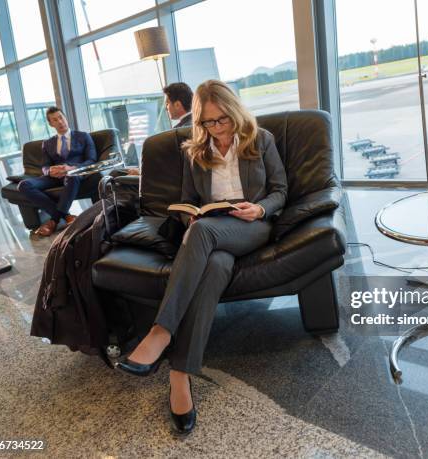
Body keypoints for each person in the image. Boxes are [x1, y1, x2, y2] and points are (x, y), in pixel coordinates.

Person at [115, 80, 287, 435]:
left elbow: (280, 191)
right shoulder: (195, 151)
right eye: (207, 122)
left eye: (221, 120)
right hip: (211, 234)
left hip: (252, 227)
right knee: (215, 265)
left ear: (234, 111)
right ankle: (180, 375)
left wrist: (259, 208)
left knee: (202, 233)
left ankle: (161, 333)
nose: (216, 128)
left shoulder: (261, 139)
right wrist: (190, 216)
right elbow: (185, 201)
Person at [18, 107, 96, 237]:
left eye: (61, 117)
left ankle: (53, 221)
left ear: (65, 118)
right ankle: (66, 216)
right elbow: (44, 166)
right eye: (55, 120)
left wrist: (71, 168)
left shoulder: (83, 136)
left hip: (75, 173)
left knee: (72, 176)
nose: (60, 121)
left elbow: (92, 160)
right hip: (55, 177)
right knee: (24, 185)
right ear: (51, 124)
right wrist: (50, 170)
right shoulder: (47, 143)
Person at [125, 82, 194, 176]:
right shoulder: (198, 124)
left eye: (167, 103)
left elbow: (170, 166)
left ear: (177, 105)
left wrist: (142, 173)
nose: (166, 108)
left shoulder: (178, 133)